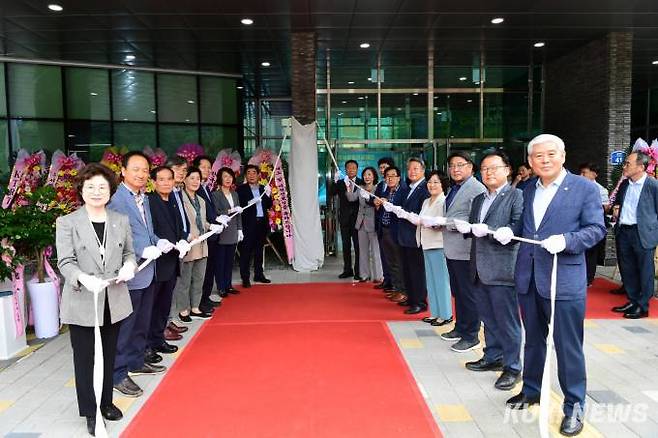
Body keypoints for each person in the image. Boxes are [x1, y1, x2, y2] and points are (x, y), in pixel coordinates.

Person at [502, 134, 605, 437]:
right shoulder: (526, 188)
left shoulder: (584, 188)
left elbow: (596, 229)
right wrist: (507, 232)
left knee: (567, 346)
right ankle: (531, 389)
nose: (544, 160)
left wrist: (568, 241)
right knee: (533, 339)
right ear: (530, 161)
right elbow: (523, 227)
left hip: (564, 279)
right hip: (529, 277)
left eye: (550, 154)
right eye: (537, 156)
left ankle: (574, 406)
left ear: (562, 155)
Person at [56, 163, 136, 435]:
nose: (96, 191)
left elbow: (129, 253)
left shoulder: (120, 220)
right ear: (81, 190)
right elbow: (65, 261)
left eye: (102, 186)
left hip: (112, 299)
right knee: (86, 358)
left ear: (110, 191)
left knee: (110, 353)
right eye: (90, 187)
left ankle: (106, 403)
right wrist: (81, 277)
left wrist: (129, 267)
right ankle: (91, 412)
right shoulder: (67, 222)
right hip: (82, 299)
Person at [459, 152, 523, 391]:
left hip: (502, 269)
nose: (489, 173)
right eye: (484, 169)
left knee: (507, 322)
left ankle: (513, 367)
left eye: (494, 168)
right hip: (478, 267)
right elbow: (474, 230)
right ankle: (493, 356)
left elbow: (518, 227)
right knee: (488, 317)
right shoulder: (478, 199)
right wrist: (465, 228)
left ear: (507, 170)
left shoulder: (517, 196)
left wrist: (495, 231)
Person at [109, 151, 166, 398]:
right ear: (123, 171)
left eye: (145, 170)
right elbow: (117, 237)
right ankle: (118, 374)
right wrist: (143, 249)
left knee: (142, 322)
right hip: (130, 273)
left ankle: (135, 361)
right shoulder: (116, 200)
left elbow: (146, 230)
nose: (142, 174)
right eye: (136, 169)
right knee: (126, 326)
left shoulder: (143, 197)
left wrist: (158, 241)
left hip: (147, 271)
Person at [439, 152, 486, 353]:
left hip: (466, 251)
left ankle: (471, 335)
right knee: (458, 292)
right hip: (452, 249)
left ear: (471, 167)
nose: (455, 169)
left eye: (460, 165)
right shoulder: (455, 189)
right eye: (452, 166)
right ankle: (460, 327)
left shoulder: (476, 188)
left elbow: (476, 218)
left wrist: (447, 224)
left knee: (468, 294)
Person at [612, 151, 658, 319]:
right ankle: (632, 300)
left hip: (643, 233)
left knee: (645, 271)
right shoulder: (625, 185)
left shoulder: (653, 185)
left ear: (641, 167)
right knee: (627, 268)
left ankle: (643, 306)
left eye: (627, 164)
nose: (624, 167)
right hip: (624, 231)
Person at [147, 166, 189, 352]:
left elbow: (178, 226)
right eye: (161, 180)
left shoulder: (173, 199)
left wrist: (182, 239)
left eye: (169, 179)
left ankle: (158, 340)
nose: (165, 183)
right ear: (154, 182)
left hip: (172, 261)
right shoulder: (150, 201)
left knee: (164, 304)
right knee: (153, 306)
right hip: (158, 262)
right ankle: (150, 344)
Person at [173, 167, 219, 322]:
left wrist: (211, 226)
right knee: (185, 280)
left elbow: (203, 221)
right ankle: (183, 310)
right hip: (188, 244)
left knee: (199, 278)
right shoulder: (179, 198)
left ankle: (195, 307)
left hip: (202, 244)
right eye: (191, 178)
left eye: (198, 179)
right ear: (184, 180)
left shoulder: (201, 200)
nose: (195, 181)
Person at [417, 170, 453, 326]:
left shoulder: (444, 201)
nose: (431, 185)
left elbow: (444, 223)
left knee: (441, 281)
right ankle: (435, 313)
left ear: (443, 184)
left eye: (435, 182)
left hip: (438, 244)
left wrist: (432, 223)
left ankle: (446, 314)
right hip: (426, 243)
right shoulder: (426, 201)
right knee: (430, 281)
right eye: (430, 182)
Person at [395, 158, 430, 314]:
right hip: (404, 236)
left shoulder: (425, 188)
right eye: (409, 169)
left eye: (416, 168)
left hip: (416, 236)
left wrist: (407, 214)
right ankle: (411, 298)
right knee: (407, 269)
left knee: (416, 271)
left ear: (423, 170)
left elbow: (422, 214)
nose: (412, 172)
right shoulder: (408, 188)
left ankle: (420, 302)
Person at [237, 164, 273, 288]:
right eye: (249, 173)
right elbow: (239, 206)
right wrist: (250, 202)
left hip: (261, 224)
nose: (251, 175)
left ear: (258, 175)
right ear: (246, 175)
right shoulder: (240, 189)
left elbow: (268, 205)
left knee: (259, 251)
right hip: (248, 224)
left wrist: (268, 195)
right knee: (246, 252)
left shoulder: (263, 188)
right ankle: (245, 277)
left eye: (254, 172)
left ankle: (259, 274)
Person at [194, 155, 221, 314]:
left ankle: (206, 297)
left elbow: (209, 209)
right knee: (201, 272)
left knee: (210, 268)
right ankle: (200, 301)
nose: (207, 170)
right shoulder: (194, 187)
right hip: (203, 235)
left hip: (212, 233)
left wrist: (218, 218)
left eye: (209, 168)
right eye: (203, 167)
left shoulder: (205, 187)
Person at [346, 166, 383, 283]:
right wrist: (348, 186)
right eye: (365, 175)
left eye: (369, 175)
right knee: (363, 251)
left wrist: (370, 198)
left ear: (374, 176)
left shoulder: (378, 189)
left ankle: (378, 276)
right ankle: (364, 275)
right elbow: (351, 198)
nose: (367, 177)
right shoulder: (360, 188)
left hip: (373, 223)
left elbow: (378, 204)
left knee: (375, 252)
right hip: (361, 223)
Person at [330, 160, 363, 279]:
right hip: (344, 219)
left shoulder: (361, 182)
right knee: (346, 246)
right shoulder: (340, 182)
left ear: (357, 169)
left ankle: (358, 271)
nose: (351, 170)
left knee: (358, 246)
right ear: (345, 170)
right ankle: (347, 269)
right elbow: (331, 193)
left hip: (358, 220)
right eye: (348, 168)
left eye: (353, 168)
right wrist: (334, 181)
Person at [212, 167, 243, 296]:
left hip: (233, 231)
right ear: (220, 178)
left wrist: (240, 229)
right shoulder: (215, 194)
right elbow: (216, 212)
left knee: (230, 261)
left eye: (230, 176)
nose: (228, 179)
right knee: (220, 261)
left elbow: (239, 213)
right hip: (222, 231)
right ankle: (221, 287)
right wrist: (230, 211)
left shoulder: (234, 193)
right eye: (225, 176)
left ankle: (228, 285)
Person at [379, 166, 407, 303]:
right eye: (387, 176)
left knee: (398, 262)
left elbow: (404, 212)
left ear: (398, 177)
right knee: (391, 262)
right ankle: (396, 289)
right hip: (385, 230)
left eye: (393, 175)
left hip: (395, 231)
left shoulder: (403, 192)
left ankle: (403, 291)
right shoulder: (387, 192)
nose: (390, 178)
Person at [578, 162, 610, 286]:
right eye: (580, 173)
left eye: (584, 173)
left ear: (594, 174)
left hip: (592, 225)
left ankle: (588, 279)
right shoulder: (576, 188)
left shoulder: (601, 190)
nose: (581, 175)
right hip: (579, 225)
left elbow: (605, 208)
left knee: (591, 253)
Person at [373, 157, 395, 289]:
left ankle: (394, 283)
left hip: (392, 225)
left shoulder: (399, 185)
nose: (382, 170)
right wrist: (375, 202)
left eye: (384, 167)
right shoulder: (381, 185)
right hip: (381, 223)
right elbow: (374, 199)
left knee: (393, 257)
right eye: (380, 168)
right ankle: (387, 280)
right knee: (384, 254)